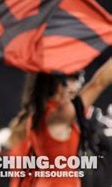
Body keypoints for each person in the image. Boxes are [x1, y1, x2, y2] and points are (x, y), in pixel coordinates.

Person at [8, 58, 112, 187]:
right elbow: (98, 83)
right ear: (59, 84)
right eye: (74, 79)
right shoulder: (59, 115)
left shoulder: (38, 114)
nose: (77, 86)